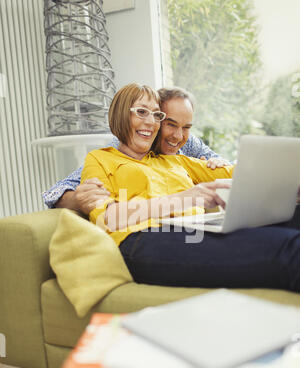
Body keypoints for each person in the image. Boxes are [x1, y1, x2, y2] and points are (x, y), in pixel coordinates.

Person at [80, 82, 300, 293]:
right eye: (141, 112)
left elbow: (241, 173)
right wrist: (185, 198)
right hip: (143, 239)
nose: (151, 122)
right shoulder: (99, 159)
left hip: (197, 229)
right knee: (289, 249)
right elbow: (108, 218)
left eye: (157, 115)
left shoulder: (175, 160)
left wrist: (289, 182)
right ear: (120, 114)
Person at [42, 87, 231, 215]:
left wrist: (218, 163)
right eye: (170, 124)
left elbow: (225, 168)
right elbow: (56, 192)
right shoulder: (118, 151)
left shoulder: (187, 144)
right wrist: (78, 199)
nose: (178, 136)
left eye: (186, 127)